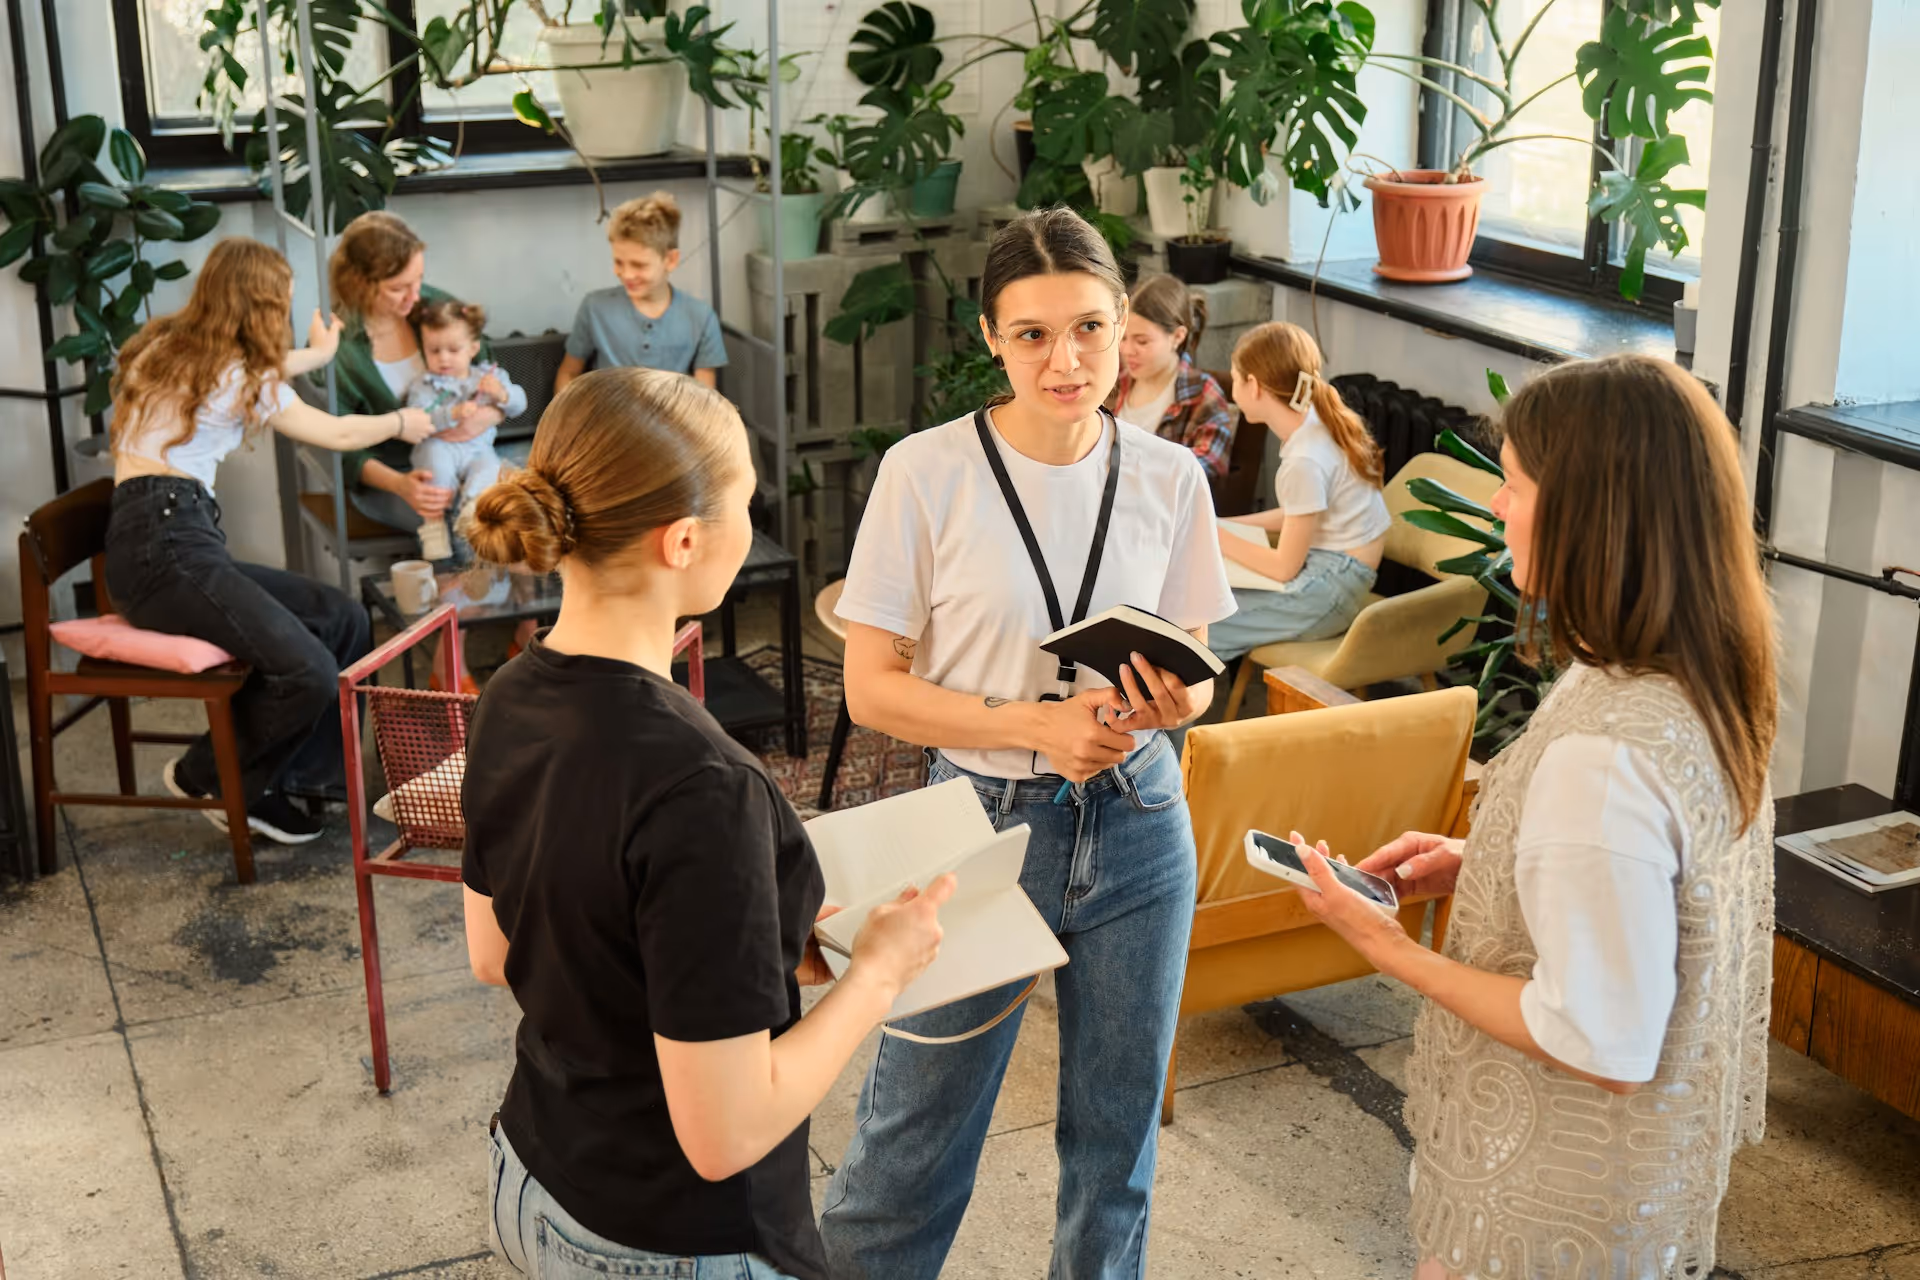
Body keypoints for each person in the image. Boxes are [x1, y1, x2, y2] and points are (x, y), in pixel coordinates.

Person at [1291, 354, 1779, 1280]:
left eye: (1512, 486)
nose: (1499, 509)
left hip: (1546, 1203)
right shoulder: (1696, 681)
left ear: (1591, 514)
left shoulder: (1600, 759)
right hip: (1628, 1185)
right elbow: (1654, 889)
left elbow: (1600, 1039)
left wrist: (1389, 949)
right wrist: (1488, 859)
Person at [458, 368, 952, 1280]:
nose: (750, 525)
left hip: (531, 1179)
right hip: (662, 1241)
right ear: (683, 540)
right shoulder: (705, 785)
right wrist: (878, 972)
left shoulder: (508, 694)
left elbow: (497, 954)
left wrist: (749, 946)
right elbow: (723, 1136)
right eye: (745, 506)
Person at [818, 207, 1236, 1279]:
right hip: (982, 825)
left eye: (1092, 329)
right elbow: (873, 687)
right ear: (991, 337)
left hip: (1143, 821)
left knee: (1117, 1140)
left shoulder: (1170, 477)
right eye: (1036, 333)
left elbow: (1197, 646)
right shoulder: (927, 472)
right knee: (911, 1139)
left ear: (1124, 326)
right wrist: (1035, 728)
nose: (1069, 359)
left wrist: (1171, 701)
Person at [104, 237, 434, 842]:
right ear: (260, 305)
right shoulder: (237, 375)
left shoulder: (169, 346)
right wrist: (400, 423)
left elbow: (259, 366)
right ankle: (209, 776)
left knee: (341, 618)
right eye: (279, 300)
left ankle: (303, 779)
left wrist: (314, 355)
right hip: (168, 547)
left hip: (164, 539)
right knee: (307, 670)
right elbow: (333, 433)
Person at [1208, 321, 1390, 661]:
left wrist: (1214, 533)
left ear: (1254, 386)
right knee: (1200, 601)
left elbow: (1283, 568)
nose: (1233, 389)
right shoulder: (1316, 420)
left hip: (1330, 588)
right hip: (1339, 572)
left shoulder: (1304, 460)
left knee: (1192, 632)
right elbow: (1301, 512)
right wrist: (1227, 524)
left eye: (1235, 378)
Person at [327, 211, 506, 544]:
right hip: (396, 475)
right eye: (398, 288)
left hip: (471, 452)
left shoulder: (438, 308)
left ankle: (491, 594)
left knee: (510, 510)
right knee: (461, 526)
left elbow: (491, 373)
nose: (415, 296)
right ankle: (456, 592)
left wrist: (484, 418)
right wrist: (400, 485)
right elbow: (341, 449)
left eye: (418, 279)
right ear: (360, 285)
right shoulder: (338, 347)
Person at [554, 192, 727, 395]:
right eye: (618, 262)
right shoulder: (594, 308)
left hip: (672, 423)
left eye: (639, 265)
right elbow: (569, 374)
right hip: (607, 421)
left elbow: (705, 397)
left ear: (670, 260)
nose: (627, 274)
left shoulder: (702, 318)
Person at [403, 297, 526, 561]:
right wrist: (451, 413)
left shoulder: (488, 377)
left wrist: (503, 395)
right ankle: (434, 527)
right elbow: (418, 419)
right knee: (433, 465)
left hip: (477, 449)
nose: (443, 358)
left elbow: (520, 404)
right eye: (434, 351)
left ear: (472, 348)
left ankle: (472, 512)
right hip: (440, 446)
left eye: (453, 350)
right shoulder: (423, 385)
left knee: (491, 471)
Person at [1106, 272, 1235, 479]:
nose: (1128, 350)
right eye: (1124, 338)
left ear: (1177, 336)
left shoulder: (1203, 394)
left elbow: (1208, 466)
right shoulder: (1113, 384)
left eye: (1142, 341)